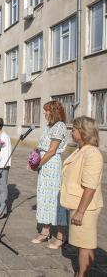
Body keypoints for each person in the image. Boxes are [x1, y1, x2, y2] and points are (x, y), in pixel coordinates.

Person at [60, 116, 103, 277]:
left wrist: (80, 211)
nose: (71, 132)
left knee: (85, 245)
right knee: (82, 244)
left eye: (74, 129)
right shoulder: (81, 150)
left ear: (84, 132)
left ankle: (82, 274)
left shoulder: (92, 154)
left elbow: (90, 187)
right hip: (78, 204)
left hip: (85, 208)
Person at [31, 100, 68, 248]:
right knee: (44, 199)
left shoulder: (60, 126)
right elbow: (42, 145)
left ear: (54, 111)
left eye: (47, 110)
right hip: (45, 166)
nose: (45, 113)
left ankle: (61, 236)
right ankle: (45, 232)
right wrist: (34, 154)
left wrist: (38, 163)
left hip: (51, 165)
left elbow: (52, 150)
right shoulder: (48, 126)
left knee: (55, 200)